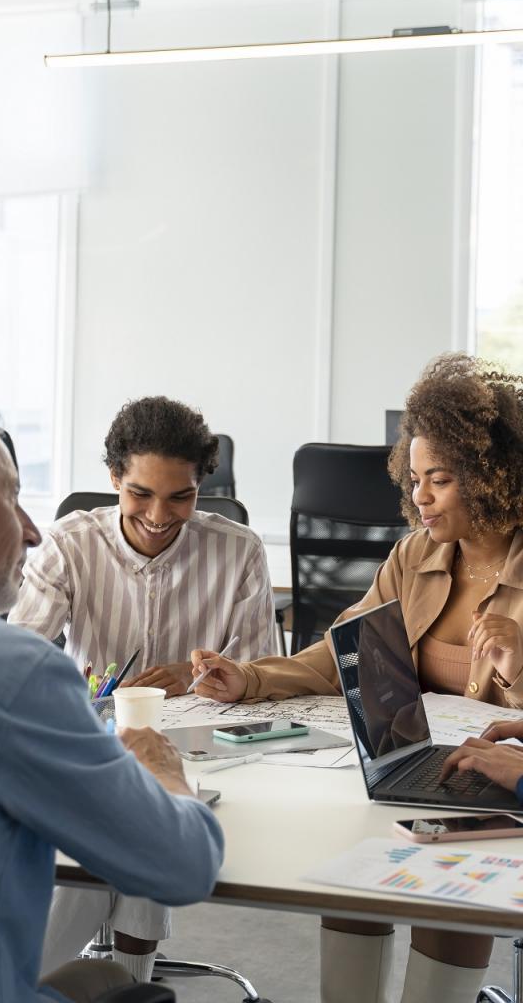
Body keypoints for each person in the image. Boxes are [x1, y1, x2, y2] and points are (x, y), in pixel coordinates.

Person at [191, 353, 523, 1003]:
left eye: (442, 480)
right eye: (416, 478)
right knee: (351, 872)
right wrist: (250, 680)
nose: (419, 497)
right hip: (423, 765)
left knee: (443, 903)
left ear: (492, 477)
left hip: (501, 792)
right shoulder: (416, 554)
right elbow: (345, 649)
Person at [0, 387, 224, 1003]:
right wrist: (163, 774)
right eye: (11, 496)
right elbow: (182, 865)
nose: (31, 531)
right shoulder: (6, 671)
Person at [8, 395, 276, 981]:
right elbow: (18, 660)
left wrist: (197, 672)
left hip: (207, 751)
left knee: (145, 804)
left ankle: (116, 979)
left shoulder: (239, 551)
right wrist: (71, 688)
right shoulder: (69, 544)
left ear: (201, 486)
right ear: (114, 479)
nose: (159, 514)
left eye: (181, 496)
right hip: (93, 743)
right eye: (141, 494)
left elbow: (266, 673)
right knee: (131, 815)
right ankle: (129, 981)